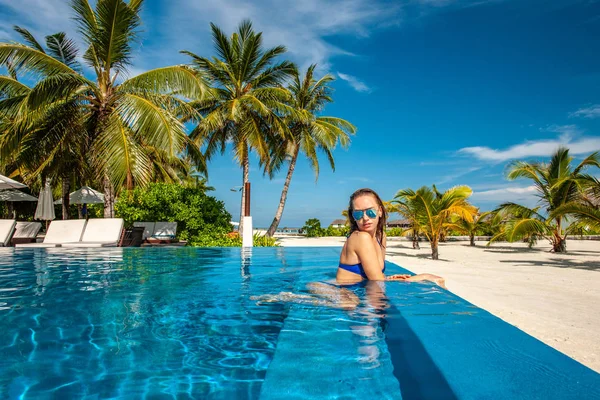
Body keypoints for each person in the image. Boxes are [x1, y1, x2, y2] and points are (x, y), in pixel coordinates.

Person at [338, 188, 446, 288]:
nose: (365, 218)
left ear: (380, 211)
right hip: (347, 295)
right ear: (353, 217)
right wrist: (423, 276)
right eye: (358, 214)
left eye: (370, 212)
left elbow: (377, 277)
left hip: (362, 290)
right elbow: (377, 280)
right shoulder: (360, 237)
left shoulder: (381, 236)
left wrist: (389, 278)